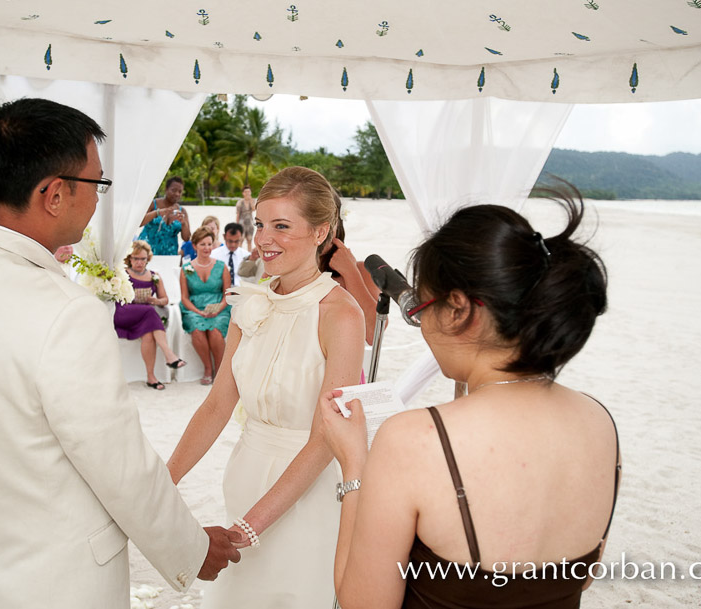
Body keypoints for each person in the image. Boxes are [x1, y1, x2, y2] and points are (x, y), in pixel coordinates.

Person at [0, 98, 241, 609]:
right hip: (59, 584)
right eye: (97, 184)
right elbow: (118, 463)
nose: (98, 201)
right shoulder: (66, 310)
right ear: (53, 194)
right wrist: (193, 547)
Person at [317, 187, 619, 609]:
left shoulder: (413, 438)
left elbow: (360, 604)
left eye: (422, 303)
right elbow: (578, 580)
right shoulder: (598, 420)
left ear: (458, 308)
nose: (420, 320)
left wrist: (354, 467)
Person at [167, 166, 365, 609]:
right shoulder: (252, 303)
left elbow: (325, 439)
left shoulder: (341, 316)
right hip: (244, 476)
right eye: (260, 224)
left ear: (321, 232)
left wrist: (249, 527)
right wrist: (165, 480)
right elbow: (218, 405)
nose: (263, 239)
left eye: (281, 226)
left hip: (306, 491)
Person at [115, 239, 188, 390]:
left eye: (143, 259)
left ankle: (151, 377)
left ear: (148, 259)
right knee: (149, 311)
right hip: (124, 312)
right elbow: (116, 296)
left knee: (148, 334)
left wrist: (155, 300)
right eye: (136, 258)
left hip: (143, 318)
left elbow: (165, 299)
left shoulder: (155, 276)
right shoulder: (122, 274)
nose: (139, 262)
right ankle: (169, 354)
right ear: (130, 259)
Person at [319, 194, 383, 344]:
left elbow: (374, 335)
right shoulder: (287, 272)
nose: (320, 232)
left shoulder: (360, 271)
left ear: (337, 225)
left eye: (326, 223)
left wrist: (350, 272)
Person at [179, 226, 232, 386]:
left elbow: (227, 294)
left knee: (215, 331)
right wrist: (199, 312)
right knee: (196, 329)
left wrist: (218, 309)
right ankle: (208, 369)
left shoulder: (222, 266)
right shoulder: (186, 268)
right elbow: (184, 298)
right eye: (203, 244)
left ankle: (220, 371)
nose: (207, 248)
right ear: (195, 246)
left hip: (219, 307)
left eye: (210, 244)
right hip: (194, 309)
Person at [139, 176, 191, 255]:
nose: (177, 194)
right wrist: (157, 213)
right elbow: (139, 223)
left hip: (169, 253)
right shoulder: (153, 204)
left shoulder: (182, 211)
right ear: (166, 189)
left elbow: (186, 238)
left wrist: (184, 224)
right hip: (146, 252)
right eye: (173, 190)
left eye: (180, 192)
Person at [211, 222, 250, 288]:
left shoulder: (247, 256)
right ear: (224, 237)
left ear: (241, 238)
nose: (233, 245)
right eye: (230, 241)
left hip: (240, 292)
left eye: (237, 241)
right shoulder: (213, 255)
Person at [236, 185, 256, 253]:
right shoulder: (240, 202)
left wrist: (250, 201)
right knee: (240, 240)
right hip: (242, 223)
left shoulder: (252, 201)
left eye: (249, 191)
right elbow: (238, 214)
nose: (247, 193)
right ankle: (239, 254)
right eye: (246, 192)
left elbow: (253, 209)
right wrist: (237, 225)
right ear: (243, 193)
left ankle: (249, 255)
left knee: (249, 240)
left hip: (250, 223)